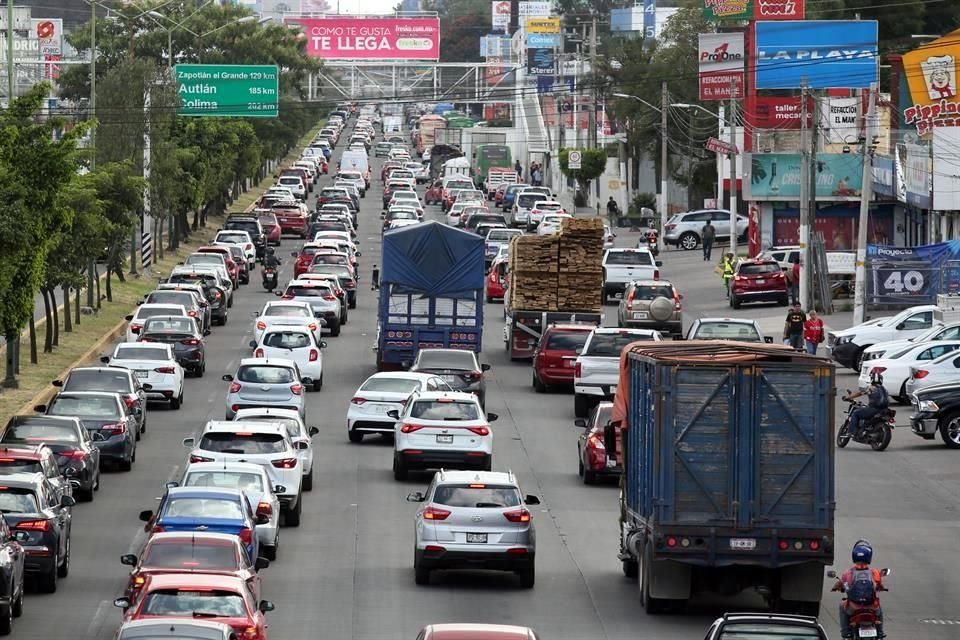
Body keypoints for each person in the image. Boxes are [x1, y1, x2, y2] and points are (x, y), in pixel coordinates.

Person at [833, 539, 885, 639]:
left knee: (842, 606)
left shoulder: (848, 573)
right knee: (879, 608)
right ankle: (880, 631)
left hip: (854, 607)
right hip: (872, 607)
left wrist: (835, 588)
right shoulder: (874, 572)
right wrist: (881, 587)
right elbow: (880, 585)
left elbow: (839, 584)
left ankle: (846, 632)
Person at [844, 370, 889, 438]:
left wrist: (849, 397)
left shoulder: (871, 387)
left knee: (856, 413)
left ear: (872, 379)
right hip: (884, 410)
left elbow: (860, 393)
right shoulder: (885, 389)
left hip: (874, 409)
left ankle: (851, 432)